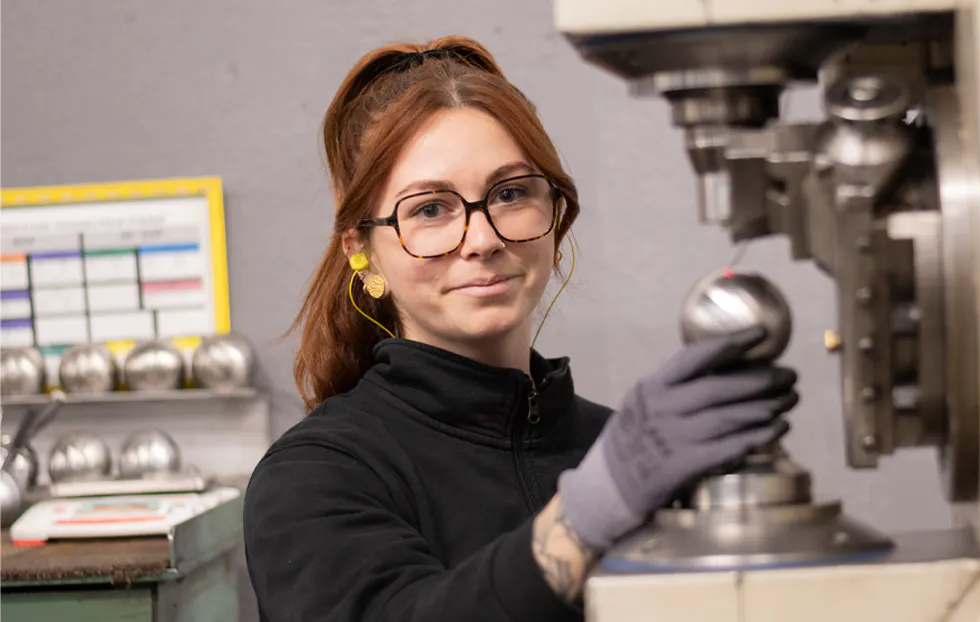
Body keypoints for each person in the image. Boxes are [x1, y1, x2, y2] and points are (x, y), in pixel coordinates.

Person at [242, 36, 798, 622]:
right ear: (362, 252)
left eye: (510, 194)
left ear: (555, 218)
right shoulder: (313, 479)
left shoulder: (620, 452)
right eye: (430, 209)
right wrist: (588, 513)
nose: (483, 239)